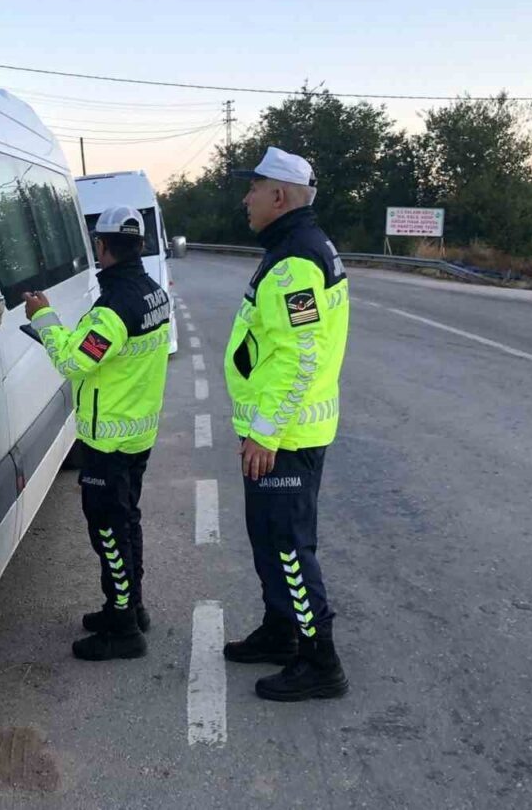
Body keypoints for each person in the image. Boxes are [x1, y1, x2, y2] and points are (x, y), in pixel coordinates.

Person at [222, 147, 351, 701]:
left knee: (288, 548)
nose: (245, 198)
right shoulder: (294, 247)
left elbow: (302, 356)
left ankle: (320, 662)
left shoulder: (297, 259)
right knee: (269, 541)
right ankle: (282, 631)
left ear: (279, 195)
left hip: (286, 437)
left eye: (253, 188)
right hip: (283, 432)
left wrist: (265, 432)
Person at [23, 205, 172, 662]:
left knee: (108, 530)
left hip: (108, 440)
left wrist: (44, 319)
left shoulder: (112, 309)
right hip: (137, 433)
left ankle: (124, 629)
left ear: (101, 247)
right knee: (127, 522)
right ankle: (129, 607)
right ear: (141, 245)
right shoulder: (152, 292)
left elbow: (73, 362)